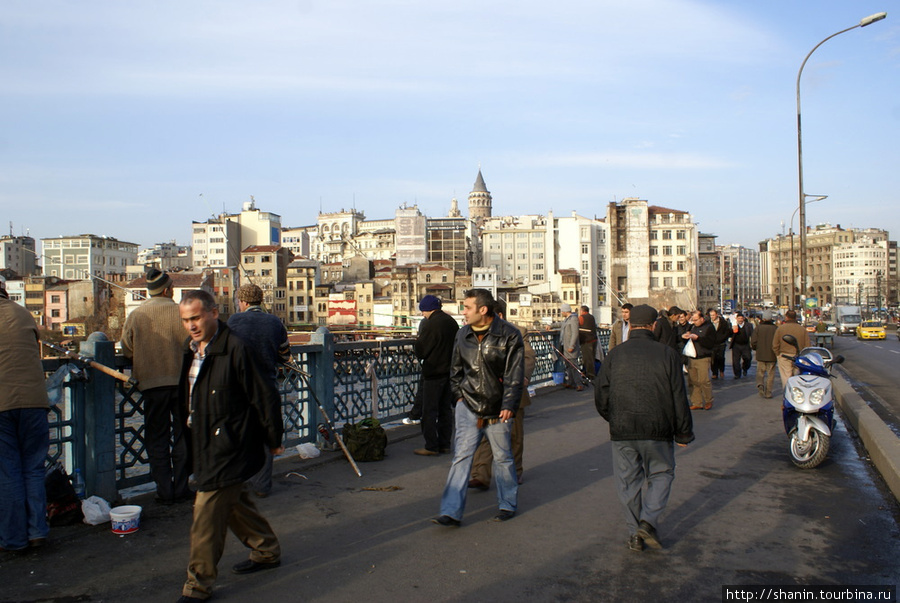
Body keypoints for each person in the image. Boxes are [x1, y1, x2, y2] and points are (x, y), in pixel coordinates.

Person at [177, 290, 284, 603]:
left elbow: (264, 395)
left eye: (196, 318)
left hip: (229, 443)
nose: (191, 326)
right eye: (186, 320)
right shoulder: (193, 349)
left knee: (206, 516)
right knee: (235, 502)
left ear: (213, 313)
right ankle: (266, 550)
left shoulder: (236, 348)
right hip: (204, 440)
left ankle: (198, 585)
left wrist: (273, 438)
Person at [595, 304, 694, 552]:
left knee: (628, 483)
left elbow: (601, 394)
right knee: (661, 474)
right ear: (653, 325)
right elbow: (678, 396)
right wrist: (683, 431)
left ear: (631, 325)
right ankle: (648, 521)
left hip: (622, 429)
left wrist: (613, 417)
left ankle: (635, 533)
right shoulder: (668, 354)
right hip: (658, 428)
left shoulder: (615, 355)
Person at [433, 288, 524, 527]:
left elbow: (515, 374)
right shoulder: (462, 334)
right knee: (461, 458)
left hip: (498, 409)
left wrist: (509, 404)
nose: (463, 312)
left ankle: (507, 505)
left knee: (503, 458)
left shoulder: (509, 335)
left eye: (467, 308)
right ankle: (451, 512)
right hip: (469, 406)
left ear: (482, 310)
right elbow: (455, 371)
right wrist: (459, 398)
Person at [120, 269, 192, 505]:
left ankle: (164, 490)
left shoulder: (137, 315)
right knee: (183, 436)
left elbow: (127, 348)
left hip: (151, 385)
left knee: (156, 438)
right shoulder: (182, 313)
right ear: (168, 289)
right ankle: (181, 487)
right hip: (182, 384)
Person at [0, 278, 50, 553]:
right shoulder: (22, 312)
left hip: (2, 404)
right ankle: (37, 532)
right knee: (33, 469)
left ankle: (13, 539)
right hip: (34, 401)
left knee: (8, 472)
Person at [227, 283, 290, 497]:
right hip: (267, 386)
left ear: (243, 302)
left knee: (240, 433)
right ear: (260, 301)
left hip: (239, 386)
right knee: (265, 434)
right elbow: (284, 353)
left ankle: (241, 480)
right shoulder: (274, 322)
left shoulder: (234, 320)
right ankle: (262, 485)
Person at [469, 300, 535, 490]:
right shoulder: (478, 333)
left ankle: (515, 471)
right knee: (484, 435)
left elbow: (528, 357)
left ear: (500, 316)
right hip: (487, 394)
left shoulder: (519, 332)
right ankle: (480, 475)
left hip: (512, 392)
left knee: (514, 436)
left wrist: (521, 377)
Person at [412, 295, 459, 456]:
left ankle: (431, 446)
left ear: (427, 309)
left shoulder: (431, 324)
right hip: (450, 372)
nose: (423, 315)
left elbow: (422, 349)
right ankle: (445, 444)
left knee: (429, 411)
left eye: (423, 311)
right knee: (445, 410)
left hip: (434, 373)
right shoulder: (451, 322)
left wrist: (417, 343)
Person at [682, 310, 716, 410]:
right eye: (693, 320)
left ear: (701, 318)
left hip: (703, 357)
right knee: (693, 381)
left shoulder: (709, 327)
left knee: (704, 381)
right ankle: (697, 401)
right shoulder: (692, 327)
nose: (694, 322)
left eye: (696, 320)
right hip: (692, 357)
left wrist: (698, 338)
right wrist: (685, 337)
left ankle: (708, 400)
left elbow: (711, 343)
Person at [772, 310, 811, 390]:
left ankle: (787, 394)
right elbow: (807, 345)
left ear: (786, 317)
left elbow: (775, 344)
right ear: (796, 317)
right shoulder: (802, 329)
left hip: (784, 355)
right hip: (799, 356)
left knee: (786, 377)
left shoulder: (780, 328)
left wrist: (777, 354)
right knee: (797, 376)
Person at [750, 310, 778, 398]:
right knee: (770, 374)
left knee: (760, 372)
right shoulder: (775, 329)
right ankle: (768, 392)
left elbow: (753, 341)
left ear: (763, 318)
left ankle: (760, 384)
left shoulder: (758, 328)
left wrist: (756, 348)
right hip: (772, 355)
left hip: (761, 354)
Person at [559, 303, 582, 390]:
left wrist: (572, 345)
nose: (561, 312)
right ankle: (571, 383)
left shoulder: (573, 319)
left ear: (565, 311)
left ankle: (579, 384)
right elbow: (560, 324)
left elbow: (575, 333)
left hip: (570, 347)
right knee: (568, 365)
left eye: (562, 311)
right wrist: (551, 326)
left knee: (573, 365)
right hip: (565, 346)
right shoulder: (566, 320)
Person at [707, 309, 731, 380]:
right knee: (713, 358)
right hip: (712, 344)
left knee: (721, 358)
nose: (712, 317)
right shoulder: (708, 323)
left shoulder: (723, 323)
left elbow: (727, 332)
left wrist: (722, 338)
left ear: (716, 315)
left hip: (721, 343)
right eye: (711, 315)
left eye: (713, 315)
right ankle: (714, 373)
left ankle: (721, 370)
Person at [578, 305, 599, 381]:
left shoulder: (581, 317)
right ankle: (589, 373)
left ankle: (590, 376)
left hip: (586, 341)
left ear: (582, 311)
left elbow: (576, 325)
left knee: (587, 359)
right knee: (591, 358)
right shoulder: (592, 317)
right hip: (594, 340)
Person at [730, 312, 754, 379]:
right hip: (736, 345)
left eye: (741, 318)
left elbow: (752, 334)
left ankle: (745, 368)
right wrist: (732, 330)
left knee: (748, 358)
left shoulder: (748, 325)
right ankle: (737, 374)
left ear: (743, 318)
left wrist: (752, 343)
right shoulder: (733, 325)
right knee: (736, 361)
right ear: (736, 319)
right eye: (739, 318)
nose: (740, 320)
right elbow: (729, 333)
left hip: (745, 345)